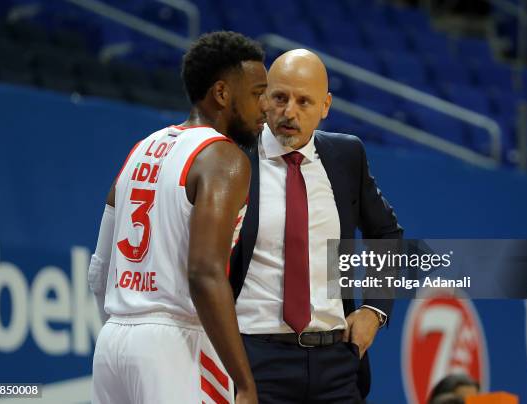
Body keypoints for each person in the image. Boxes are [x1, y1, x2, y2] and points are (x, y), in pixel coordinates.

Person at [87, 31, 267, 404]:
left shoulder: (142, 148)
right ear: (221, 94)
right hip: (174, 343)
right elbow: (204, 273)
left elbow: (98, 269)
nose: (264, 105)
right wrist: (245, 382)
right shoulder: (224, 158)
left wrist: (125, 328)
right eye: (256, 93)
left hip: (112, 342)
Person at [229, 49, 402, 403]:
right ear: (263, 98)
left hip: (335, 362)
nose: (289, 111)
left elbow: (387, 234)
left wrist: (375, 310)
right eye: (280, 97)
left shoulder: (346, 156)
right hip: (255, 360)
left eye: (304, 101)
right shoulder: (232, 157)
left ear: (325, 107)